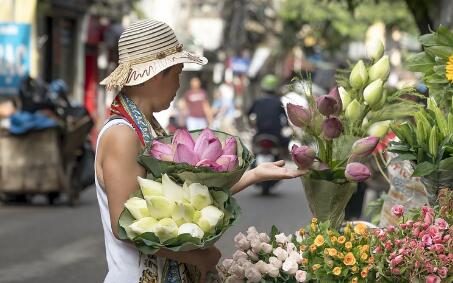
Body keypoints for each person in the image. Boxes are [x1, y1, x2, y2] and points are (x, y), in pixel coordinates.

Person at [95, 19, 305, 283]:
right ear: (157, 74)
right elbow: (124, 227)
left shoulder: (149, 128)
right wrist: (198, 258)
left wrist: (254, 175)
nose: (179, 84)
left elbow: (187, 200)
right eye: (177, 72)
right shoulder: (122, 135)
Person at [248, 74, 290, 152]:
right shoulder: (278, 102)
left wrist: (251, 125)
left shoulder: (258, 102)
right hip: (276, 135)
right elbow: (285, 118)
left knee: (252, 148)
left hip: (260, 132)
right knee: (285, 144)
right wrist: (286, 126)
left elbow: (249, 114)